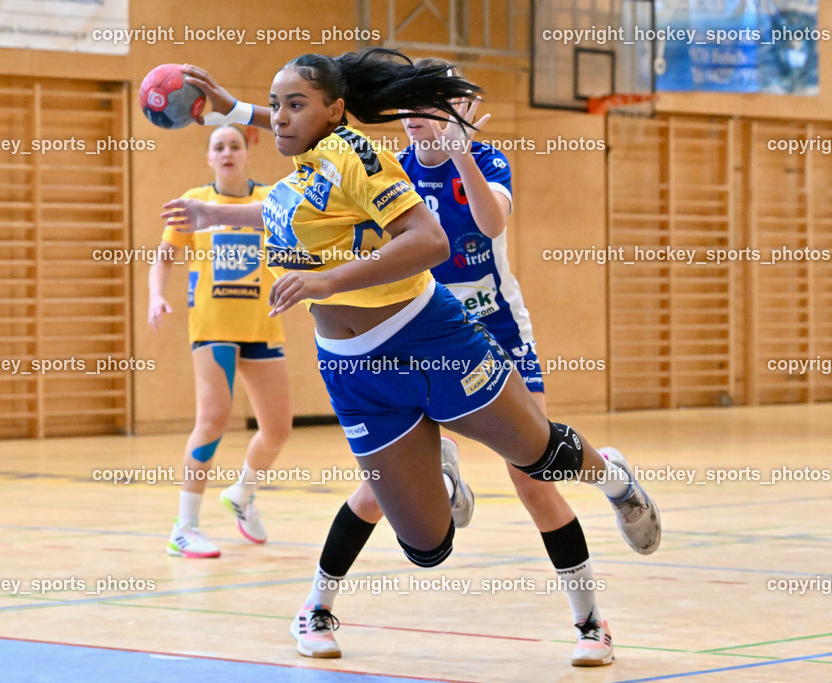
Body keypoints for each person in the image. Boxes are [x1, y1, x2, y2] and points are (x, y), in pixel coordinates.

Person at [164, 49, 660, 664]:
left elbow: (434, 238)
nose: (280, 118)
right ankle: (436, 470)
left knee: (540, 461)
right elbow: (302, 156)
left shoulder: (366, 155)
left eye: (295, 104)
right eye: (276, 107)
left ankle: (611, 490)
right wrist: (227, 120)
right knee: (427, 544)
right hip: (355, 367)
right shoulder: (304, 172)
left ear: (335, 110)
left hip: (433, 336)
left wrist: (327, 281)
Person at [280, 58, 618, 666]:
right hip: (414, 335)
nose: (413, 119)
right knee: (381, 493)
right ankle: (320, 603)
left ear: (460, 111)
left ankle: (592, 614)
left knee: (533, 474)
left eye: (429, 107)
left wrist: (462, 151)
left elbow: (489, 223)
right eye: (407, 108)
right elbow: (317, 162)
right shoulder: (388, 168)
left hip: (493, 330)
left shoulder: (485, 163)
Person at [148, 124, 291, 559]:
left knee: (278, 430)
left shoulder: (271, 199)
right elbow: (164, 257)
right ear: (209, 157)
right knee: (213, 417)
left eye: (234, 145)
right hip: (212, 326)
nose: (227, 152)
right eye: (218, 146)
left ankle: (243, 494)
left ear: (248, 151)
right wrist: (156, 295)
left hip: (262, 324)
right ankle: (184, 526)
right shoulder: (195, 202)